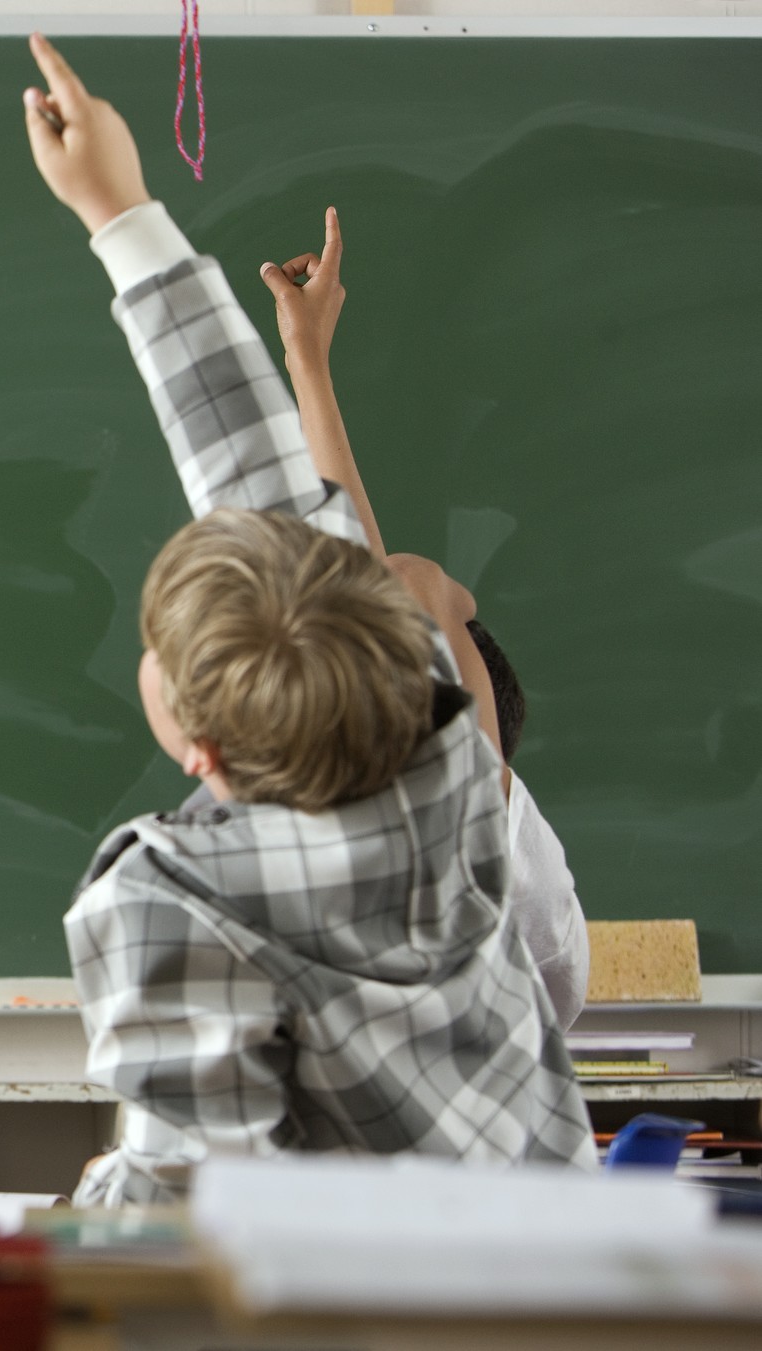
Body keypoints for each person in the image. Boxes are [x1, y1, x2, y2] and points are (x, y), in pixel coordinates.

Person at [20, 33, 594, 1206]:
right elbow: (264, 483)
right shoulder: (439, 772)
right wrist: (119, 214)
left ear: (197, 746)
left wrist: (99, 1197)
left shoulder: (170, 898)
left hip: (343, 1287)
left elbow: (187, 1188)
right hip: (542, 1268)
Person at [257, 209, 590, 1028]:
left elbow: (400, 598)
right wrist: (306, 362)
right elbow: (383, 608)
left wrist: (443, 591)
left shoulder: (525, 898)